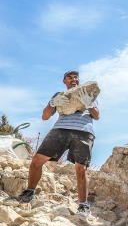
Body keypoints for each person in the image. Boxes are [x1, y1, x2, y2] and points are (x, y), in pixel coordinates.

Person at [17, 70, 99, 216]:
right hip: (60, 129)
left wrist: (89, 103)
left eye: (76, 77)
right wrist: (52, 103)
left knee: (81, 168)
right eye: (70, 77)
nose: (74, 79)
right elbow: (45, 116)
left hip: (83, 130)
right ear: (64, 81)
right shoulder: (58, 95)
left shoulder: (88, 93)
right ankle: (29, 192)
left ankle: (83, 205)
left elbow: (97, 115)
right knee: (36, 160)